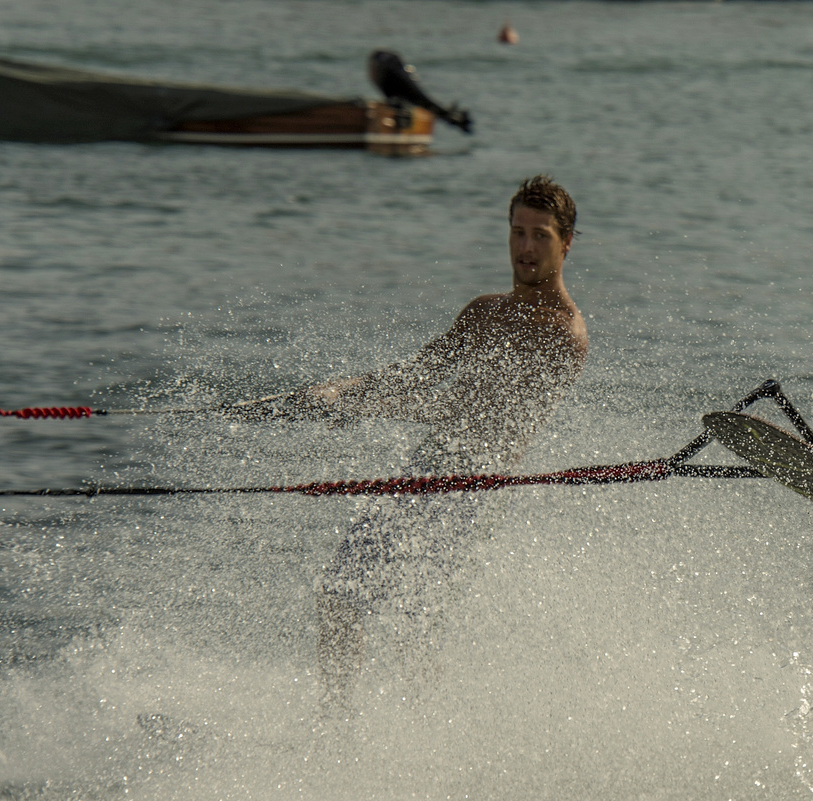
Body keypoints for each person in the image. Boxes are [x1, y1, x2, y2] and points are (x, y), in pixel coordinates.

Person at [247, 176, 586, 712]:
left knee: (415, 626)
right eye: (517, 232)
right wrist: (341, 389)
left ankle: (420, 747)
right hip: (422, 473)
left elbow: (479, 412)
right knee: (339, 595)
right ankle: (335, 725)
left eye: (540, 235)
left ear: (566, 243)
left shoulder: (563, 333)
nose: (525, 248)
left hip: (471, 490)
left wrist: (359, 407)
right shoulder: (483, 312)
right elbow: (418, 374)